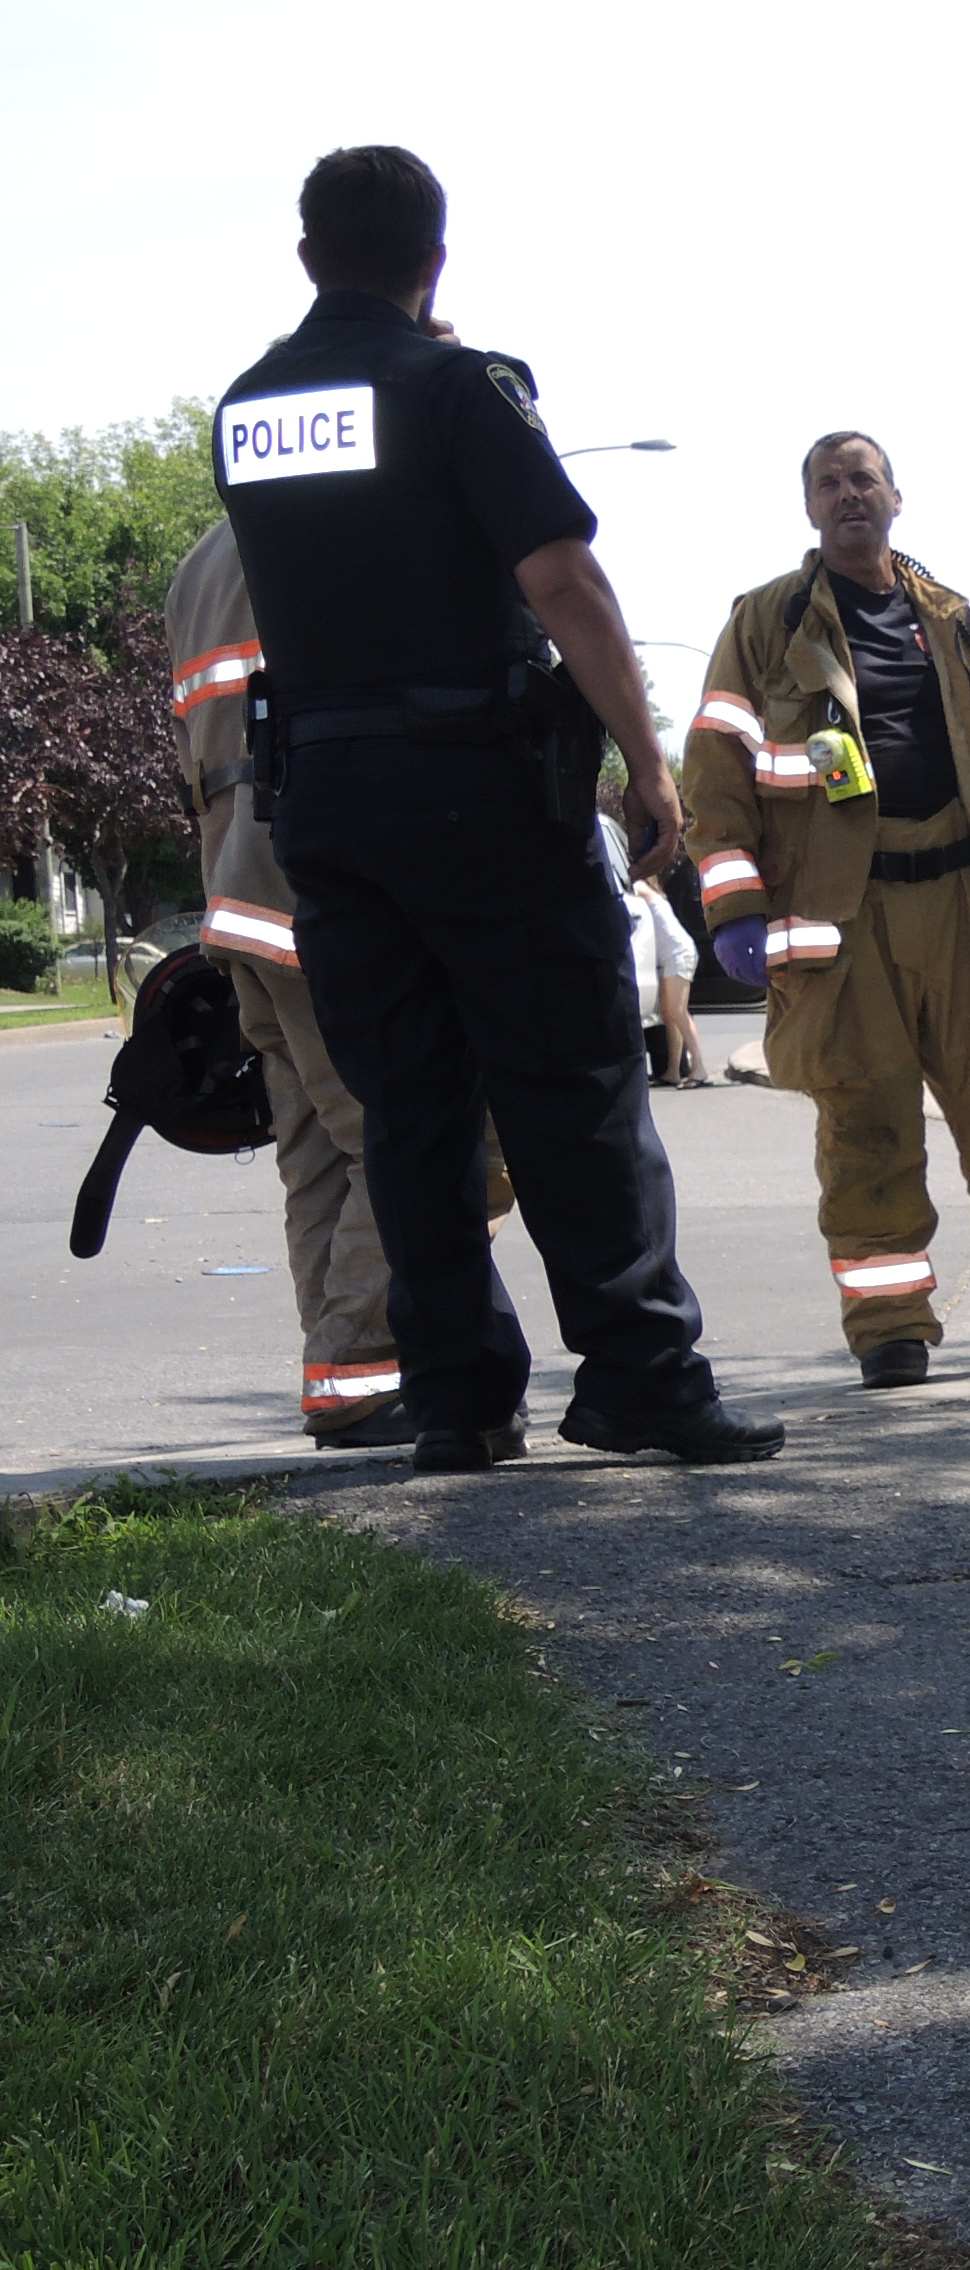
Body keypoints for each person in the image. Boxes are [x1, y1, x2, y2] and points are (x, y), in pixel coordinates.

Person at [210, 145, 778, 1473]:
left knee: (409, 1108)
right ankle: (640, 1377)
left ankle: (460, 1400)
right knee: (574, 1086)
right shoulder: (461, 386)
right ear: (435, 260)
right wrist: (645, 760)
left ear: (307, 257)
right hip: (479, 789)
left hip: (326, 804)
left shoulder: (247, 410)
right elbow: (563, 579)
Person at [685, 433, 970, 1389]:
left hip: (963, 901)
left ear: (896, 497)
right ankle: (890, 1327)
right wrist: (736, 905)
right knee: (867, 1121)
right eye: (829, 483)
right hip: (844, 913)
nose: (849, 494)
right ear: (809, 508)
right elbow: (715, 773)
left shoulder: (949, 617)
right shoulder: (765, 622)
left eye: (864, 479)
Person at [162, 519, 415, 1451]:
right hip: (320, 886)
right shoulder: (334, 523)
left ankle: (343, 1378)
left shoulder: (200, 563)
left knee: (316, 1150)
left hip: (236, 890)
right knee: (415, 1139)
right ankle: (363, 1370)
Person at [600, 803, 705, 1085]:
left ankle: (699, 1067)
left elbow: (624, 886)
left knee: (677, 1012)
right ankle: (673, 1071)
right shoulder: (652, 892)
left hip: (679, 953)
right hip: (672, 955)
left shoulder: (640, 888)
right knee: (669, 1014)